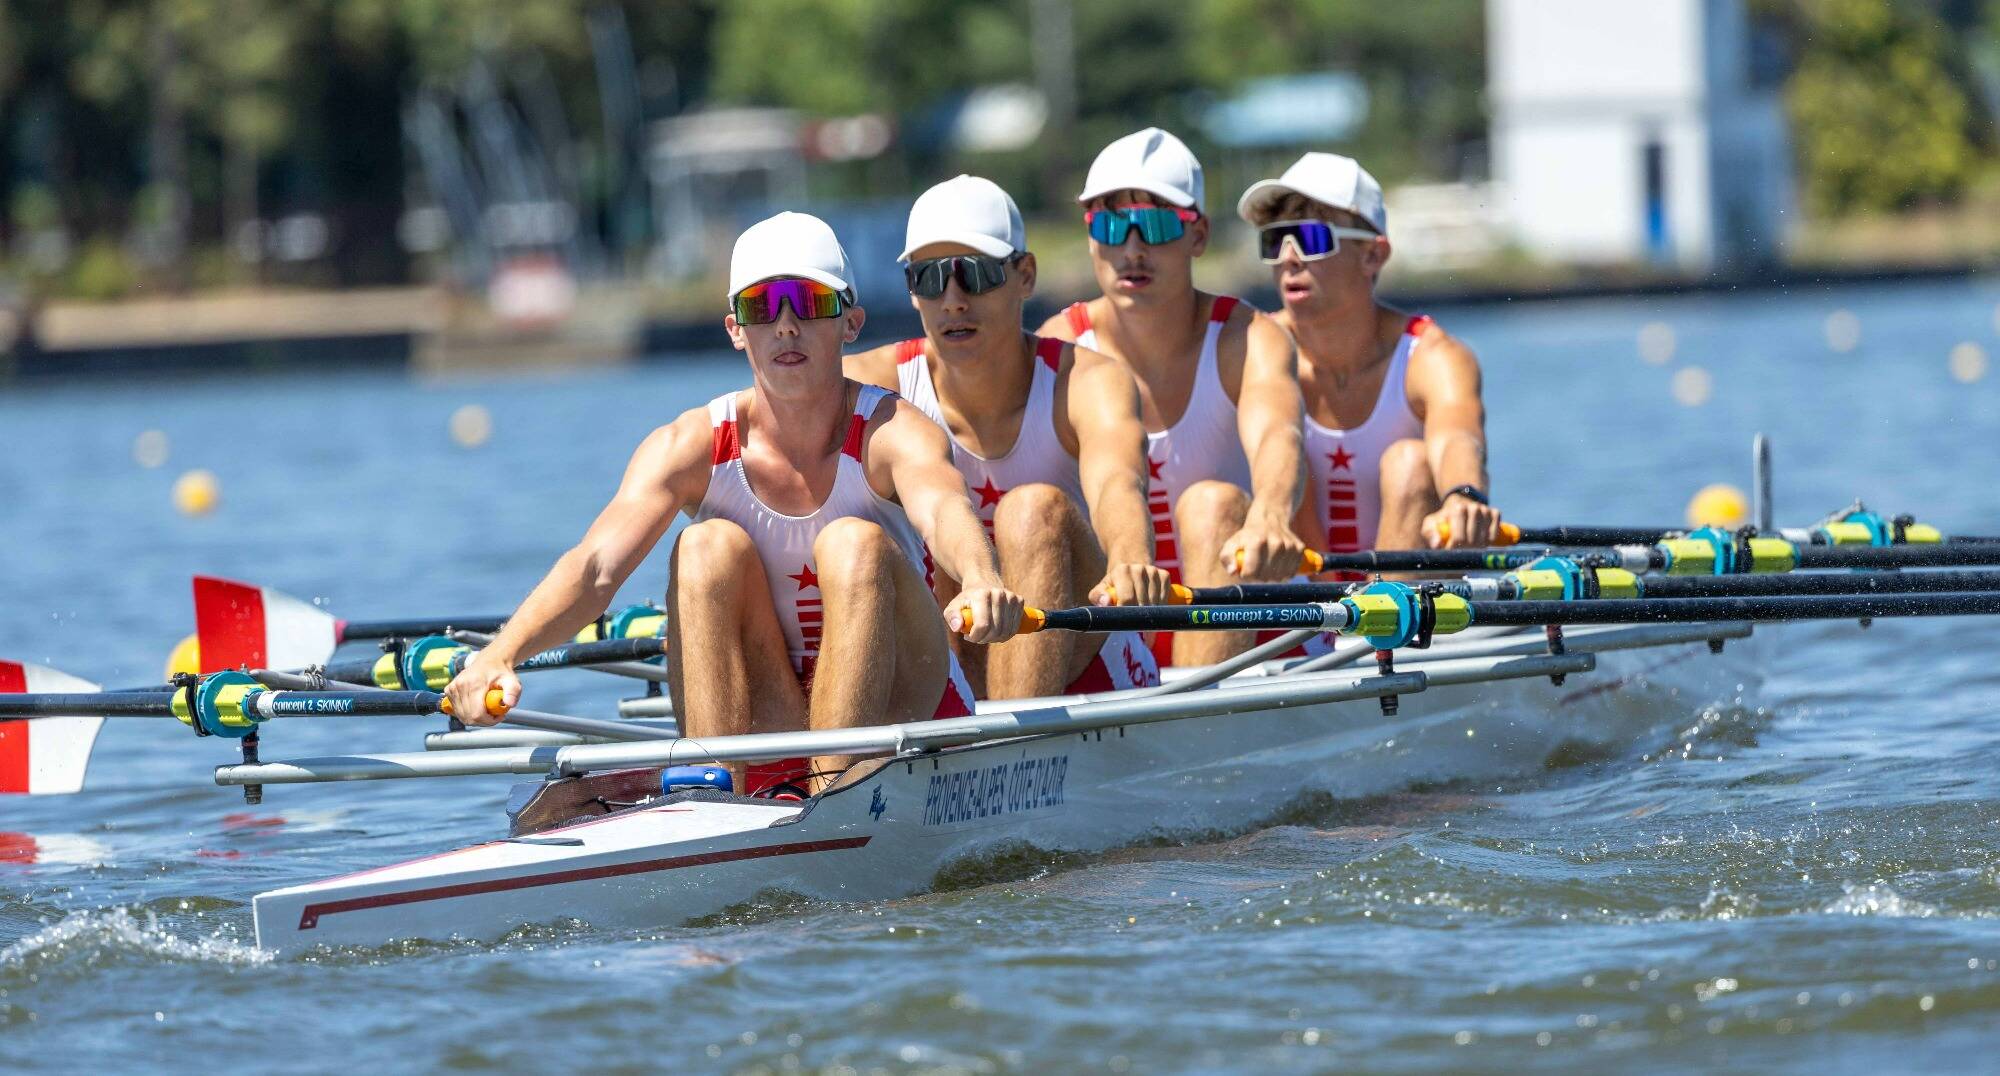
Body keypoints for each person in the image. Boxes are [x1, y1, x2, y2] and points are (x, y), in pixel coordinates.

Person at [444, 212, 1024, 796]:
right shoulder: (690, 445)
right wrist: (500, 654)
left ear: (850, 322)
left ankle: (830, 795)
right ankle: (708, 792)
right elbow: (596, 566)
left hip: (907, 716)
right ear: (735, 328)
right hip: (765, 721)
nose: (787, 326)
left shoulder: (893, 430)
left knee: (852, 541)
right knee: (705, 545)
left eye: (808, 302)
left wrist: (979, 577)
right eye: (763, 307)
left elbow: (944, 507)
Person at [847, 175, 1169, 700]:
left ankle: (1013, 750)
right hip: (950, 659)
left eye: (974, 274)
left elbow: (1118, 483)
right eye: (929, 279)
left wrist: (1131, 558)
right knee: (897, 549)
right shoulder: (871, 386)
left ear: (1025, 275)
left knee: (1031, 511)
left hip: (1088, 663)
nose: (952, 300)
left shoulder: (1088, 381)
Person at [1037, 127, 1309, 667]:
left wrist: (1273, 515)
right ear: (1092, 237)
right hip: (1113, 622)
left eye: (1158, 225)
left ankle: (1197, 720)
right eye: (1111, 224)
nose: (1132, 249)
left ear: (1199, 236)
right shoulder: (1058, 346)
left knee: (1214, 504)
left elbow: (1280, 434)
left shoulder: (1247, 338)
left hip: (1245, 621)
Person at [1236, 153, 1504, 556]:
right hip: (1296, 600)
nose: (1289, 258)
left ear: (1373, 255)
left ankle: (1378, 609)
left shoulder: (1433, 356)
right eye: (1276, 240)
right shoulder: (1249, 347)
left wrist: (1463, 496)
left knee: (1410, 462)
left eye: (1312, 238)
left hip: (1409, 600)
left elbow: (1457, 437)